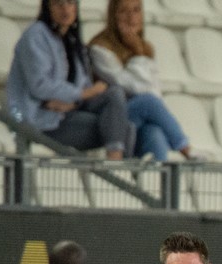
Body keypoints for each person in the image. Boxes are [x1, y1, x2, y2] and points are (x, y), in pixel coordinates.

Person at [7, 0, 134, 159]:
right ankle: (119, 171)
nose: (65, 9)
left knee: (115, 95)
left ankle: (121, 171)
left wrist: (74, 100)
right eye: (58, 4)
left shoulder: (71, 39)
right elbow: (40, 86)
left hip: (69, 110)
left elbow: (82, 84)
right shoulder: (36, 35)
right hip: (43, 119)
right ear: (47, 7)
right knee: (123, 130)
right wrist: (81, 94)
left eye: (70, 3)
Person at [88, 0, 210, 162]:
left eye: (136, 10)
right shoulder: (100, 48)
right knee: (148, 102)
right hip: (111, 119)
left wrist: (139, 49)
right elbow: (129, 86)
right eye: (124, 11)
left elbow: (154, 90)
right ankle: (185, 148)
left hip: (139, 117)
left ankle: (153, 184)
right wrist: (138, 53)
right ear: (113, 15)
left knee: (155, 134)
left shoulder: (146, 46)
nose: (131, 17)